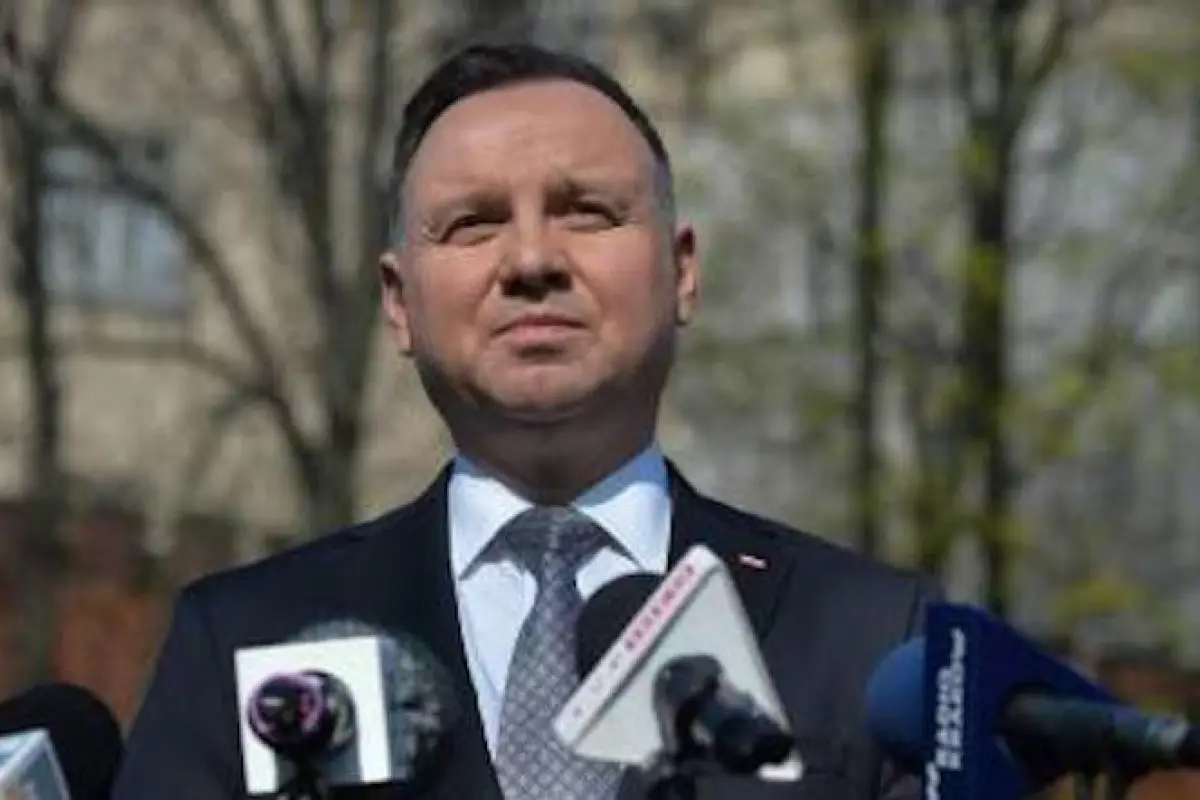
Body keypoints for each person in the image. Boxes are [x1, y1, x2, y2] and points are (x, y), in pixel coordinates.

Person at [111, 41, 938, 800]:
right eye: (473, 223)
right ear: (399, 303)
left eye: (586, 211)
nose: (533, 261)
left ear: (681, 271)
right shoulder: (248, 643)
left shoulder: (872, 640)